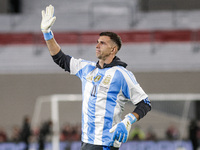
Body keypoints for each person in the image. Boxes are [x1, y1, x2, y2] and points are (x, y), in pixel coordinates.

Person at [40, 5, 151, 150]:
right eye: (97, 42)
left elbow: (145, 103)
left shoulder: (121, 74)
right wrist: (47, 33)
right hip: (86, 141)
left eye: (102, 43)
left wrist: (128, 121)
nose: (97, 45)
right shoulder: (87, 68)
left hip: (106, 143)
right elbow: (60, 59)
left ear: (113, 49)